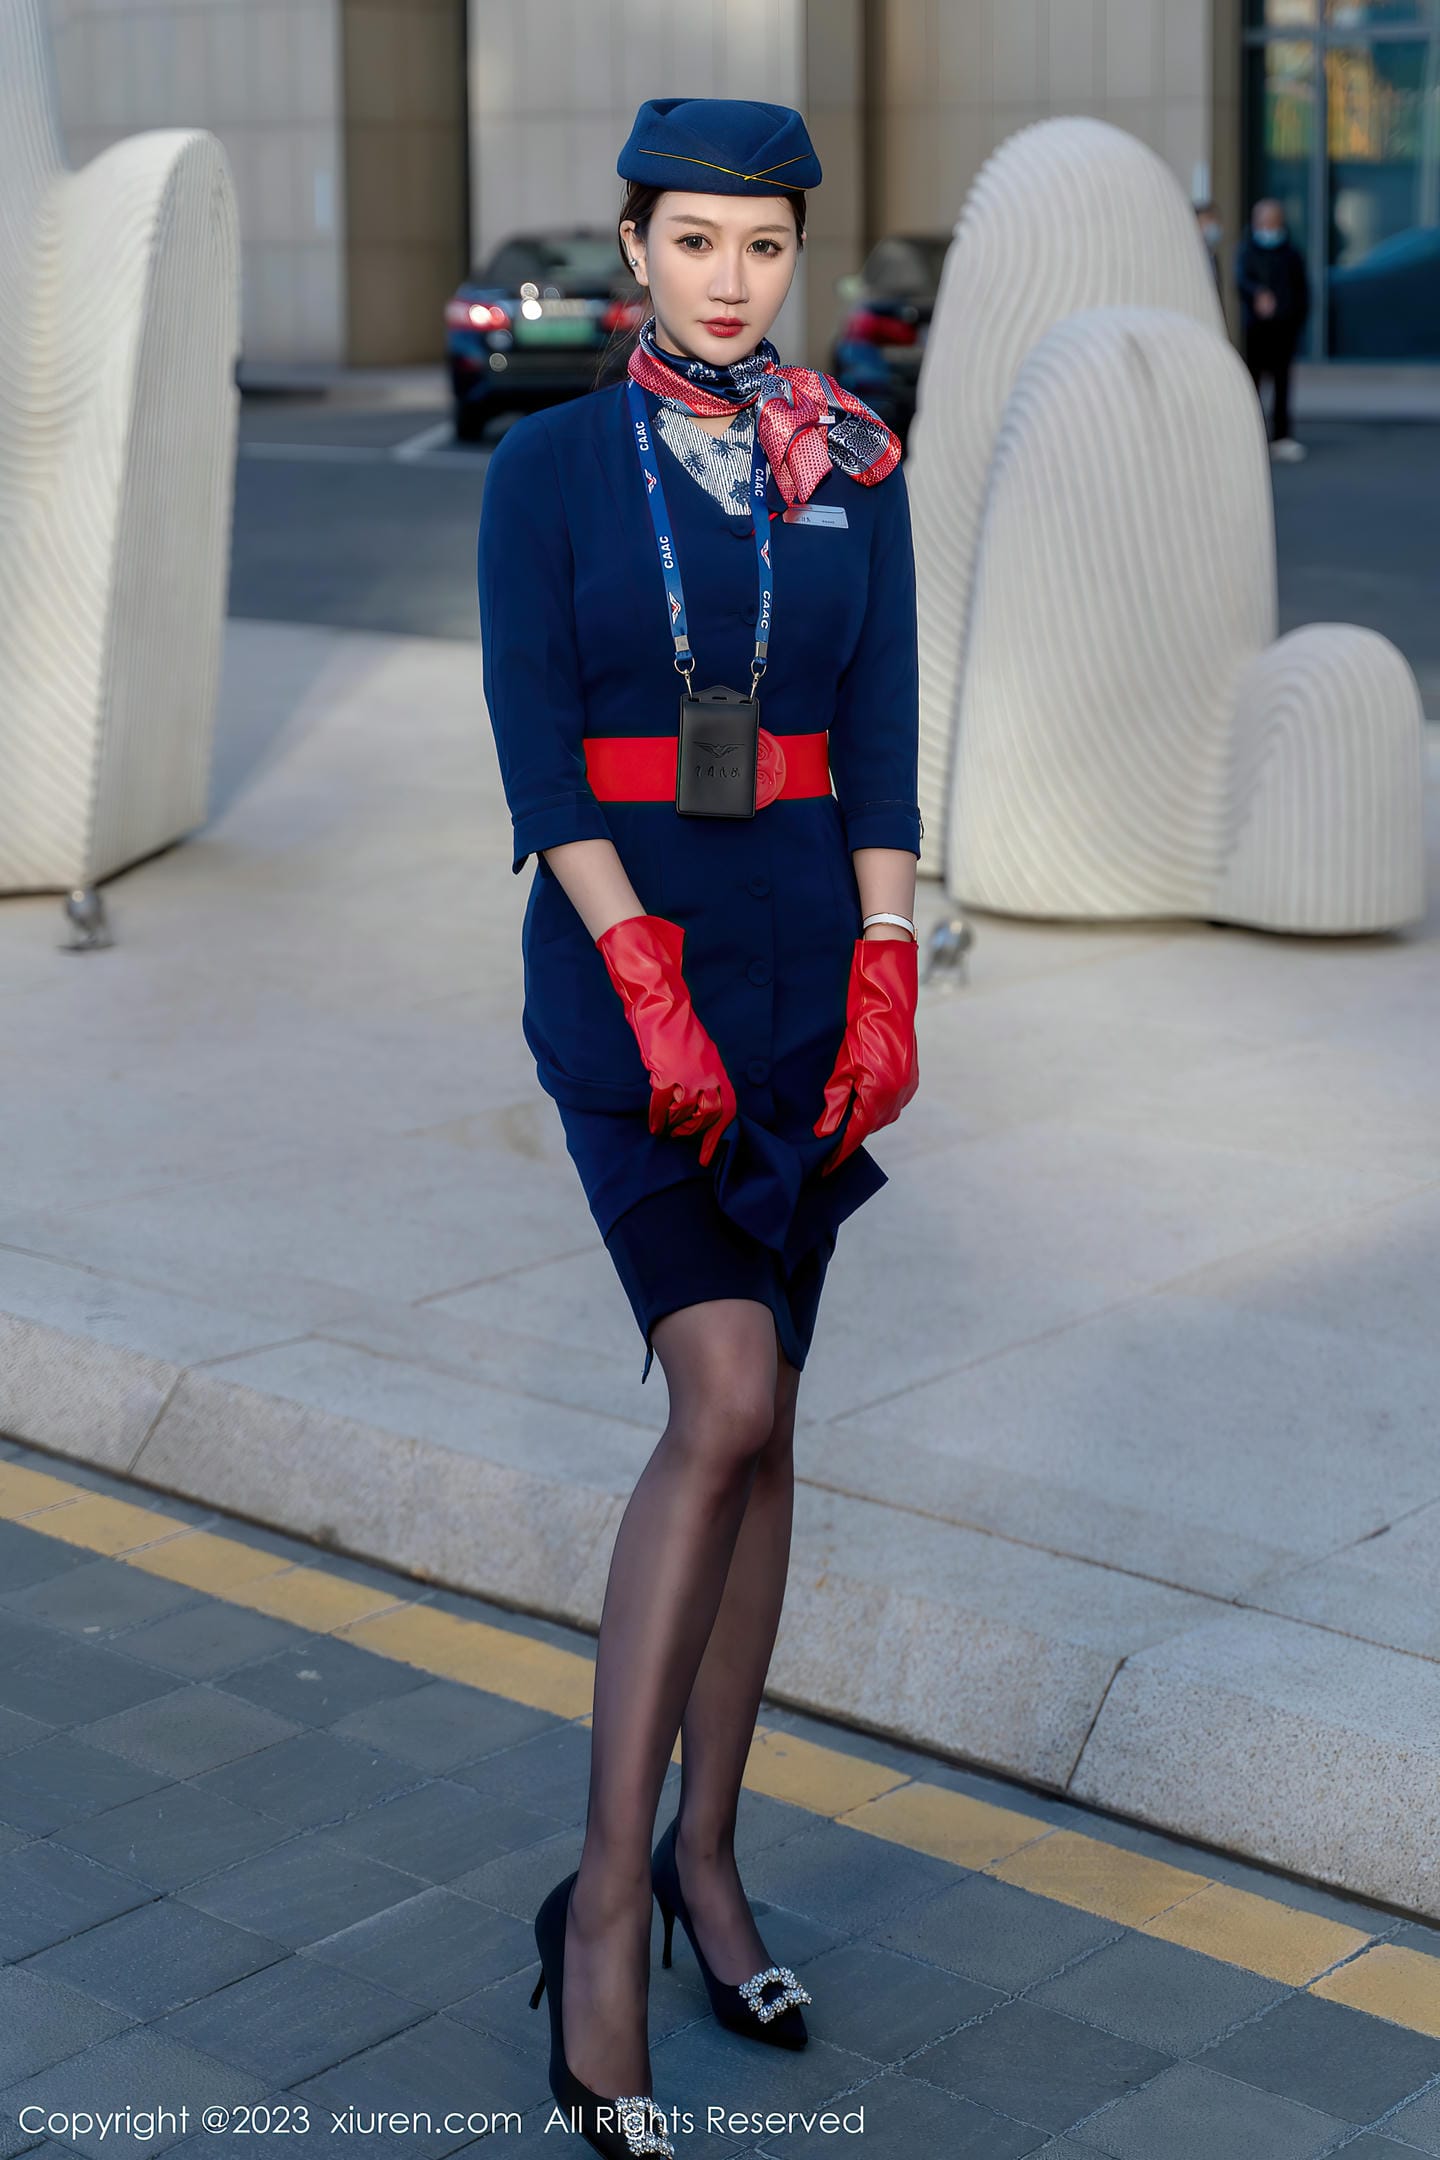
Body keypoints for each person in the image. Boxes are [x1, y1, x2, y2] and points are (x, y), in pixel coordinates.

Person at [476, 96, 922, 2160]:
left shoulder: (855, 465)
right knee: (721, 1397)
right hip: (626, 986)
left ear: (792, 255)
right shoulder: (551, 467)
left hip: (804, 983)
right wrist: (635, 958)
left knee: (776, 1425)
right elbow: (540, 750)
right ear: (634, 246)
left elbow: (880, 745)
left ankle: (708, 1862)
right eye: (694, 240)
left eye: (764, 244)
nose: (731, 278)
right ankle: (597, 1914)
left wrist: (890, 964)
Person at [1235, 198, 1310, 462]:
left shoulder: (1291, 254)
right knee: (1252, 383)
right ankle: (1251, 435)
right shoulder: (1247, 251)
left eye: (1272, 222)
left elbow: (1302, 292)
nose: (1267, 228)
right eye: (1262, 222)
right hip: (1256, 330)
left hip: (1283, 329)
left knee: (1282, 383)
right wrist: (1257, 295)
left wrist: (1292, 317)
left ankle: (1281, 436)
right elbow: (1241, 282)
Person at [1195, 199, 1224, 297]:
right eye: (1209, 219)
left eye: (1216, 220)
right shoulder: (1189, 258)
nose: (1213, 225)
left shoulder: (1213, 256)